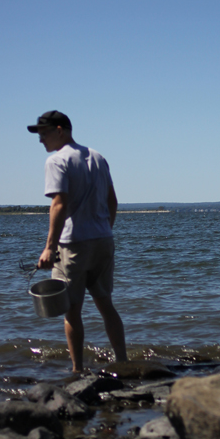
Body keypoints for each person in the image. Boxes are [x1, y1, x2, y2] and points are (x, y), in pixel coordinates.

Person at [27, 110, 127, 372]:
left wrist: (49, 248)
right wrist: (105, 229)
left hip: (72, 244)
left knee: (71, 310)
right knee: (106, 305)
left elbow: (59, 204)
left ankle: (77, 370)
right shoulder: (98, 156)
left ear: (60, 130)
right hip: (103, 239)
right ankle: (123, 362)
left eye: (44, 133)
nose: (41, 139)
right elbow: (113, 201)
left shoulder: (56, 160)